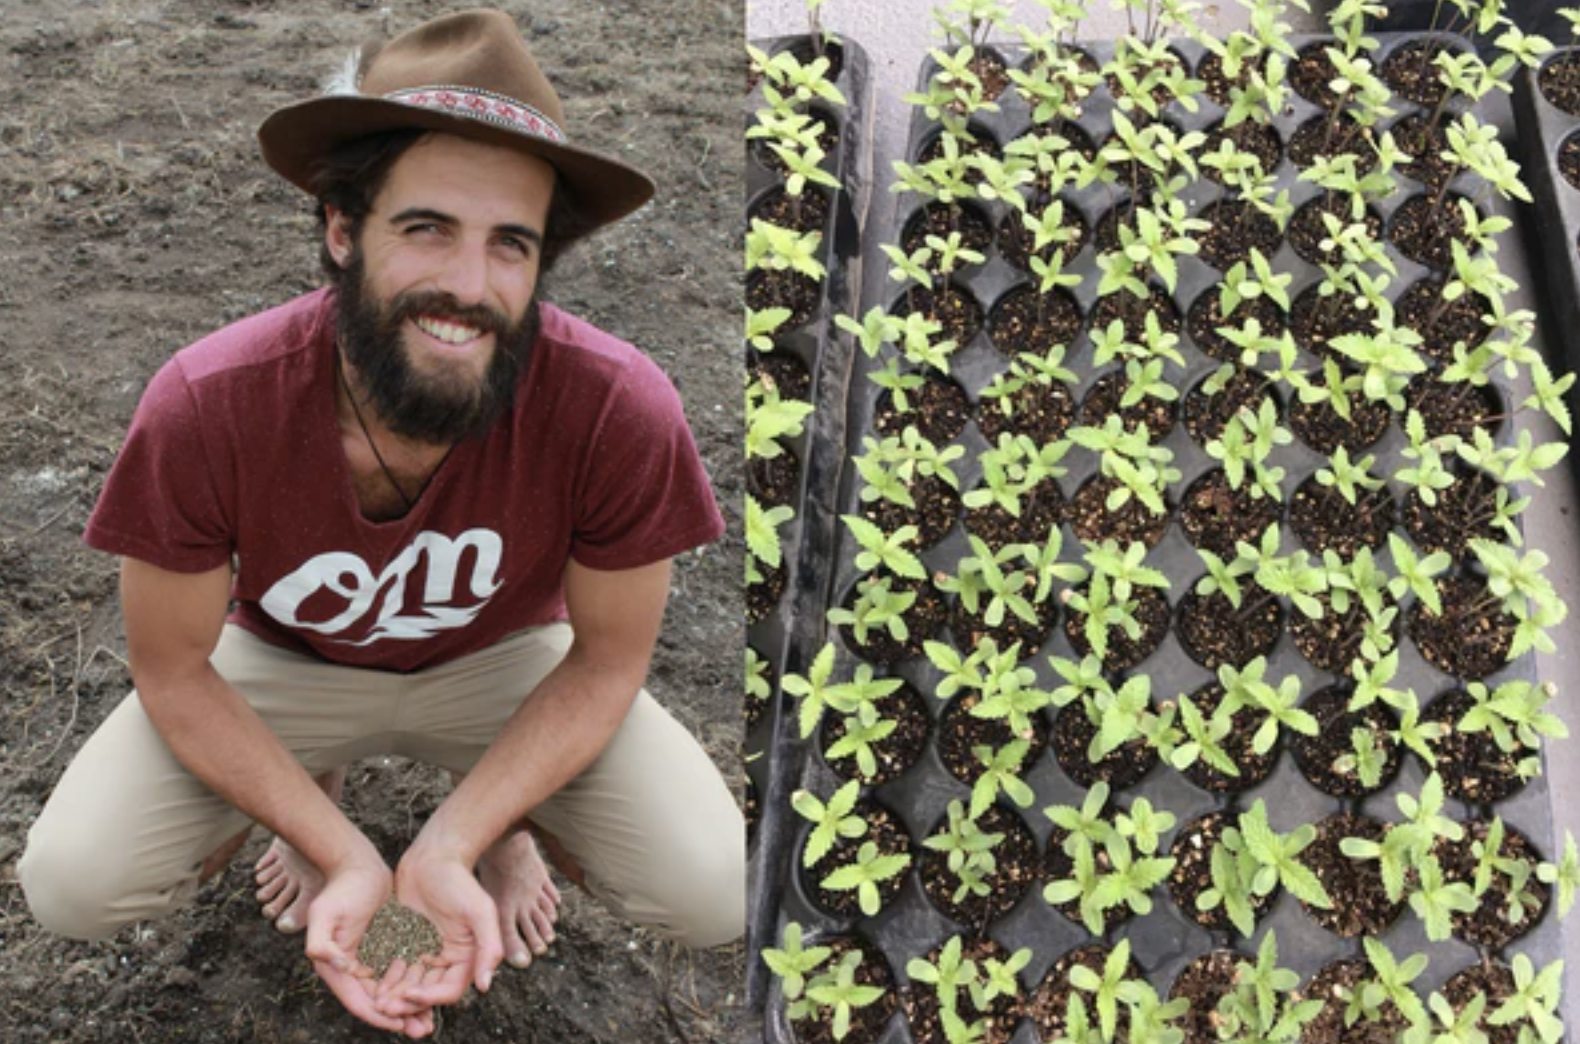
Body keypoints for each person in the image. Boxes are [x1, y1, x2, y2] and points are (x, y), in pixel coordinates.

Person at [16, 8, 743, 1038]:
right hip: (286, 660)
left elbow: (604, 662)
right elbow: (174, 667)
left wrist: (450, 843)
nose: (468, 285)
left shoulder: (618, 405)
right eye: (426, 227)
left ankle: (501, 822)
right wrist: (341, 848)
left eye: (511, 246)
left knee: (710, 887)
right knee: (75, 881)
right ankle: (312, 788)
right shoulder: (209, 400)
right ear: (341, 227)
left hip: (505, 662)